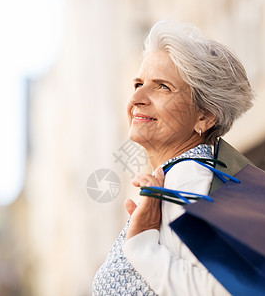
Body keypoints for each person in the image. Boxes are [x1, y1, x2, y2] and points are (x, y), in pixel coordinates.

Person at [92, 20, 254, 295]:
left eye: (163, 87)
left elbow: (225, 289)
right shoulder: (176, 182)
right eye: (138, 84)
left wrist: (141, 245)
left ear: (205, 116)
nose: (137, 98)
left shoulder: (189, 182)